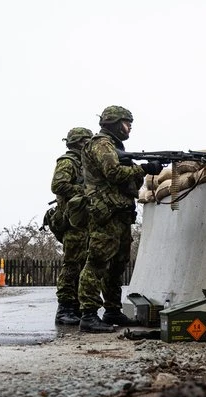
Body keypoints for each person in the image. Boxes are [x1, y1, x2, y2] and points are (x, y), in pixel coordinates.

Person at [78, 105, 163, 333]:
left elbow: (126, 182)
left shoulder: (115, 147)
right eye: (126, 123)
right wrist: (143, 169)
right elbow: (113, 173)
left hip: (120, 213)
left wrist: (138, 170)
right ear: (114, 123)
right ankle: (88, 314)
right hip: (106, 213)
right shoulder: (101, 144)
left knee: (117, 265)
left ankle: (113, 310)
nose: (130, 127)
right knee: (97, 262)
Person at [51, 127, 93, 325]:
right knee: (72, 264)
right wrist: (85, 189)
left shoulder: (85, 163)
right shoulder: (68, 161)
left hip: (82, 220)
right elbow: (57, 185)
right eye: (88, 141)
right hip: (71, 222)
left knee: (82, 263)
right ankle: (65, 308)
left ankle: (75, 306)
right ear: (79, 142)